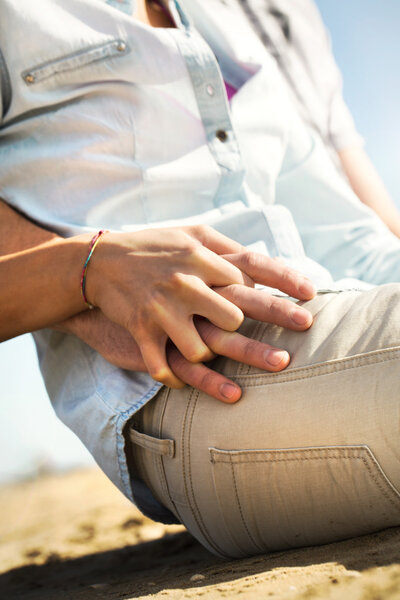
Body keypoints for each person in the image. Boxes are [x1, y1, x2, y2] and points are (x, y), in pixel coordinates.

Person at [1, 0, 400, 558]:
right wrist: (90, 271)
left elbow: (345, 230)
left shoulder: (227, 21)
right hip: (190, 391)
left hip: (327, 318)